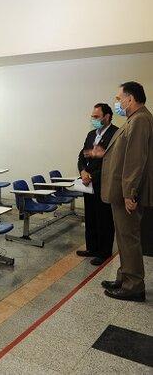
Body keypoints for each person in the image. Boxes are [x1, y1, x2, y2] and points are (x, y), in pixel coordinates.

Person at [97, 81, 152, 302]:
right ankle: (124, 277)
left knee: (129, 239)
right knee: (123, 237)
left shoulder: (140, 120)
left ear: (130, 99)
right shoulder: (134, 119)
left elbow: (135, 160)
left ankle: (134, 286)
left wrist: (130, 193)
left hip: (127, 194)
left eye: (119, 98)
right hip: (121, 193)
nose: (117, 102)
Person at [77, 103, 118, 265]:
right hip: (87, 183)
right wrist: (82, 171)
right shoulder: (91, 134)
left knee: (104, 219)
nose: (93, 119)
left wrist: (92, 176)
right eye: (92, 116)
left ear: (107, 117)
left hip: (103, 183)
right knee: (91, 217)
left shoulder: (115, 134)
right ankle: (92, 248)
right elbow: (82, 156)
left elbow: (112, 162)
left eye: (96, 117)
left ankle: (104, 252)